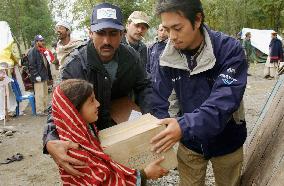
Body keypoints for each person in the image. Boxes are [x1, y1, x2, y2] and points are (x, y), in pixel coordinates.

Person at [43, 2, 152, 177]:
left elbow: (145, 85)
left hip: (126, 132)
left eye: (113, 34)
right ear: (90, 32)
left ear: (122, 33)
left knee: (135, 176)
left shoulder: (132, 57)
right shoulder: (76, 65)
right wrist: (50, 139)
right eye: (100, 33)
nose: (107, 41)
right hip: (91, 138)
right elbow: (59, 105)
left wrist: (153, 120)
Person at [150, 1, 247, 186]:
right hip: (189, 143)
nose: (172, 37)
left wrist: (183, 126)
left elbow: (224, 101)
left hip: (227, 139)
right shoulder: (165, 56)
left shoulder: (229, 50)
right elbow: (158, 98)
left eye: (177, 28)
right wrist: (161, 132)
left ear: (197, 19)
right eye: (167, 29)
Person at [52, 79, 168, 185]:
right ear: (74, 111)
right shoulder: (76, 154)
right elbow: (104, 182)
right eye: (92, 101)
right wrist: (144, 174)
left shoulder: (84, 135)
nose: (98, 104)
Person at [28, 35, 52, 115]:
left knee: (45, 93)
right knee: (39, 94)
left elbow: (46, 64)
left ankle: (44, 109)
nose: (42, 42)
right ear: (36, 42)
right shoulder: (32, 51)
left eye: (42, 41)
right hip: (38, 77)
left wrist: (49, 76)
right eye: (40, 41)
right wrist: (36, 75)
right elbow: (31, 65)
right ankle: (40, 111)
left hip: (43, 75)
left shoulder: (41, 50)